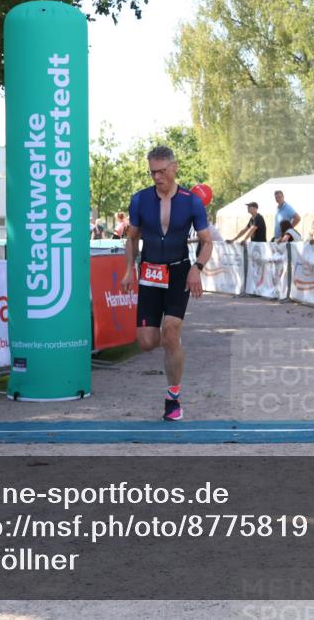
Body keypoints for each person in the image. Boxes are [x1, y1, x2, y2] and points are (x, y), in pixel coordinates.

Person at [120, 145, 213, 422]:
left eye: (162, 171)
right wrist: (129, 269)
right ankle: (172, 341)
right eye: (152, 172)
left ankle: (173, 398)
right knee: (147, 342)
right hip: (149, 272)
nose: (157, 177)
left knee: (170, 333)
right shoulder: (139, 200)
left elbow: (207, 241)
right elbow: (132, 238)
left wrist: (197, 267)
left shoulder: (191, 201)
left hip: (178, 272)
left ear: (174, 168)